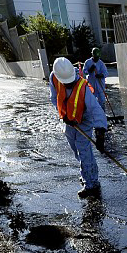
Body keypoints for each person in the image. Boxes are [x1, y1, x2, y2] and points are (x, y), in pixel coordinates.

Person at [48, 56, 107, 199]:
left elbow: (95, 108)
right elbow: (54, 97)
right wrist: (64, 115)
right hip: (69, 121)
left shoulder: (82, 86)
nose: (68, 85)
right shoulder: (54, 77)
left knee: (83, 150)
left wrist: (100, 131)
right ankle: (87, 173)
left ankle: (91, 184)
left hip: (84, 118)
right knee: (76, 149)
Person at [82, 48, 110, 150]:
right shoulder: (88, 62)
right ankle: (92, 117)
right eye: (95, 57)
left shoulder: (101, 63)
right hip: (92, 86)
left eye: (98, 57)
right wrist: (89, 70)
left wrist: (101, 75)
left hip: (100, 85)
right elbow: (84, 72)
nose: (96, 58)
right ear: (92, 55)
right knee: (91, 103)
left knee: (102, 102)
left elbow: (106, 73)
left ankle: (102, 117)